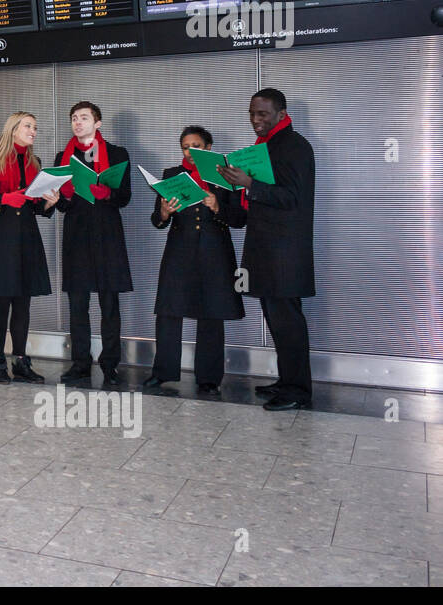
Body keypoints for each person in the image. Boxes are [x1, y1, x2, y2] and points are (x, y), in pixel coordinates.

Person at [220, 88, 316, 411]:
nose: (255, 120)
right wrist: (233, 183)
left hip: (285, 252)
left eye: (262, 114)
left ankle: (299, 391)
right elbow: (258, 201)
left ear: (280, 112)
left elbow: (291, 197)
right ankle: (287, 382)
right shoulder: (264, 147)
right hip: (265, 249)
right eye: (251, 113)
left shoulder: (295, 146)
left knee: (288, 321)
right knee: (276, 320)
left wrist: (249, 184)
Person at [143, 125, 246, 395]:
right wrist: (164, 212)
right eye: (185, 147)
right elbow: (157, 221)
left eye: (196, 146)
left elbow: (240, 219)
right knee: (169, 311)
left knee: (211, 313)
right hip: (179, 250)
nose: (190, 152)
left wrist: (218, 207)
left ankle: (209, 378)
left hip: (215, 252)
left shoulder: (226, 175)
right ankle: (162, 372)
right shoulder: (171, 175)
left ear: (209, 148)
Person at [0, 112, 61, 384]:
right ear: (13, 128)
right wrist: (5, 198)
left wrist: (50, 202)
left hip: (26, 238)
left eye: (35, 127)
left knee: (23, 302)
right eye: (28, 126)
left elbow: (35, 207)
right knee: (0, 302)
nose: (34, 131)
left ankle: (20, 361)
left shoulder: (36, 163)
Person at [54, 101, 133, 387]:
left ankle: (110, 365)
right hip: (76, 237)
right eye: (74, 118)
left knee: (109, 304)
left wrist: (106, 194)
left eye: (84, 118)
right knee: (78, 305)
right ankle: (80, 364)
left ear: (97, 123)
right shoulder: (63, 157)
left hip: (107, 236)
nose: (77, 122)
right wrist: (59, 198)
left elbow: (125, 197)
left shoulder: (116, 153)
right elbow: (61, 204)